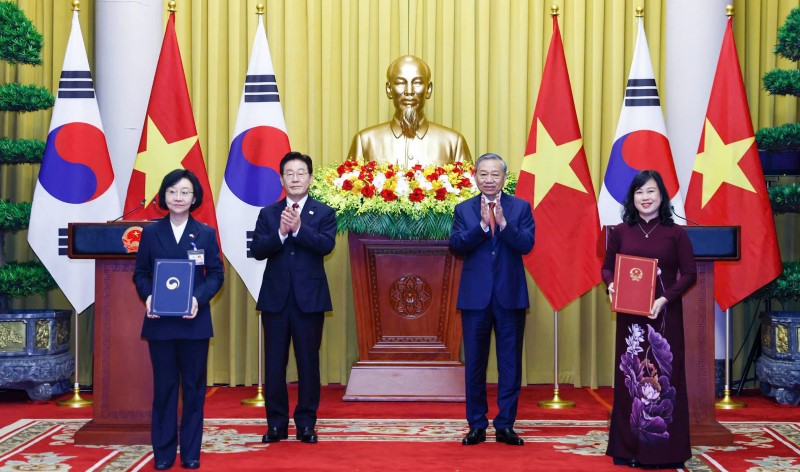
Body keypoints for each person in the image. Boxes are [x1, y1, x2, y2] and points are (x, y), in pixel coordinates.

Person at [603, 170, 696, 469]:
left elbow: (689, 273)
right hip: (630, 320)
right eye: (639, 192)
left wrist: (664, 298)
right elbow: (607, 268)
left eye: (651, 191)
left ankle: (664, 453)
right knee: (630, 378)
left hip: (664, 317)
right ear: (632, 198)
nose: (645, 197)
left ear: (662, 196)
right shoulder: (621, 231)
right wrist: (611, 285)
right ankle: (627, 449)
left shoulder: (676, 233)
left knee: (664, 379)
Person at [133, 169, 224, 470]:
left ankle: (191, 453)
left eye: (185, 192)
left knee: (194, 389)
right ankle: (163, 452)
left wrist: (197, 299)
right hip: (160, 323)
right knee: (165, 388)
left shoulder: (205, 233)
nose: (178, 197)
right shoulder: (150, 233)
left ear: (194, 197)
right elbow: (141, 273)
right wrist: (149, 296)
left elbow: (217, 274)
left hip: (194, 322)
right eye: (172, 191)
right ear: (163, 195)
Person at [449, 153, 535, 446]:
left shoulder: (520, 207)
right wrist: (484, 226)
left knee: (510, 364)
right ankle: (476, 424)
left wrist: (504, 224)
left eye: (495, 174)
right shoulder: (463, 209)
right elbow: (457, 245)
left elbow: (527, 244)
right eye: (483, 174)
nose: (489, 179)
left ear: (504, 178)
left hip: (510, 297)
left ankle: (505, 425)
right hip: (475, 299)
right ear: (475, 177)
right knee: (474, 364)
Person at [251, 151, 337, 444]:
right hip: (276, 299)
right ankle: (276, 425)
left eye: (301, 173)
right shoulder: (268, 213)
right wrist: (280, 233)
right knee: (274, 365)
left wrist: (299, 229)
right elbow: (258, 250)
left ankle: (306, 424)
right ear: (281, 179)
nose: (296, 178)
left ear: (310, 178)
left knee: (308, 364)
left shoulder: (324, 212)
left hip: (309, 300)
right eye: (290, 173)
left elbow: (325, 245)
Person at [347, 54, 472, 168]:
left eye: (417, 83)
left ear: (428, 89)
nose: (409, 91)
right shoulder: (365, 141)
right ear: (389, 89)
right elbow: (350, 183)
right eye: (400, 83)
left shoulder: (453, 142)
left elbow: (468, 185)